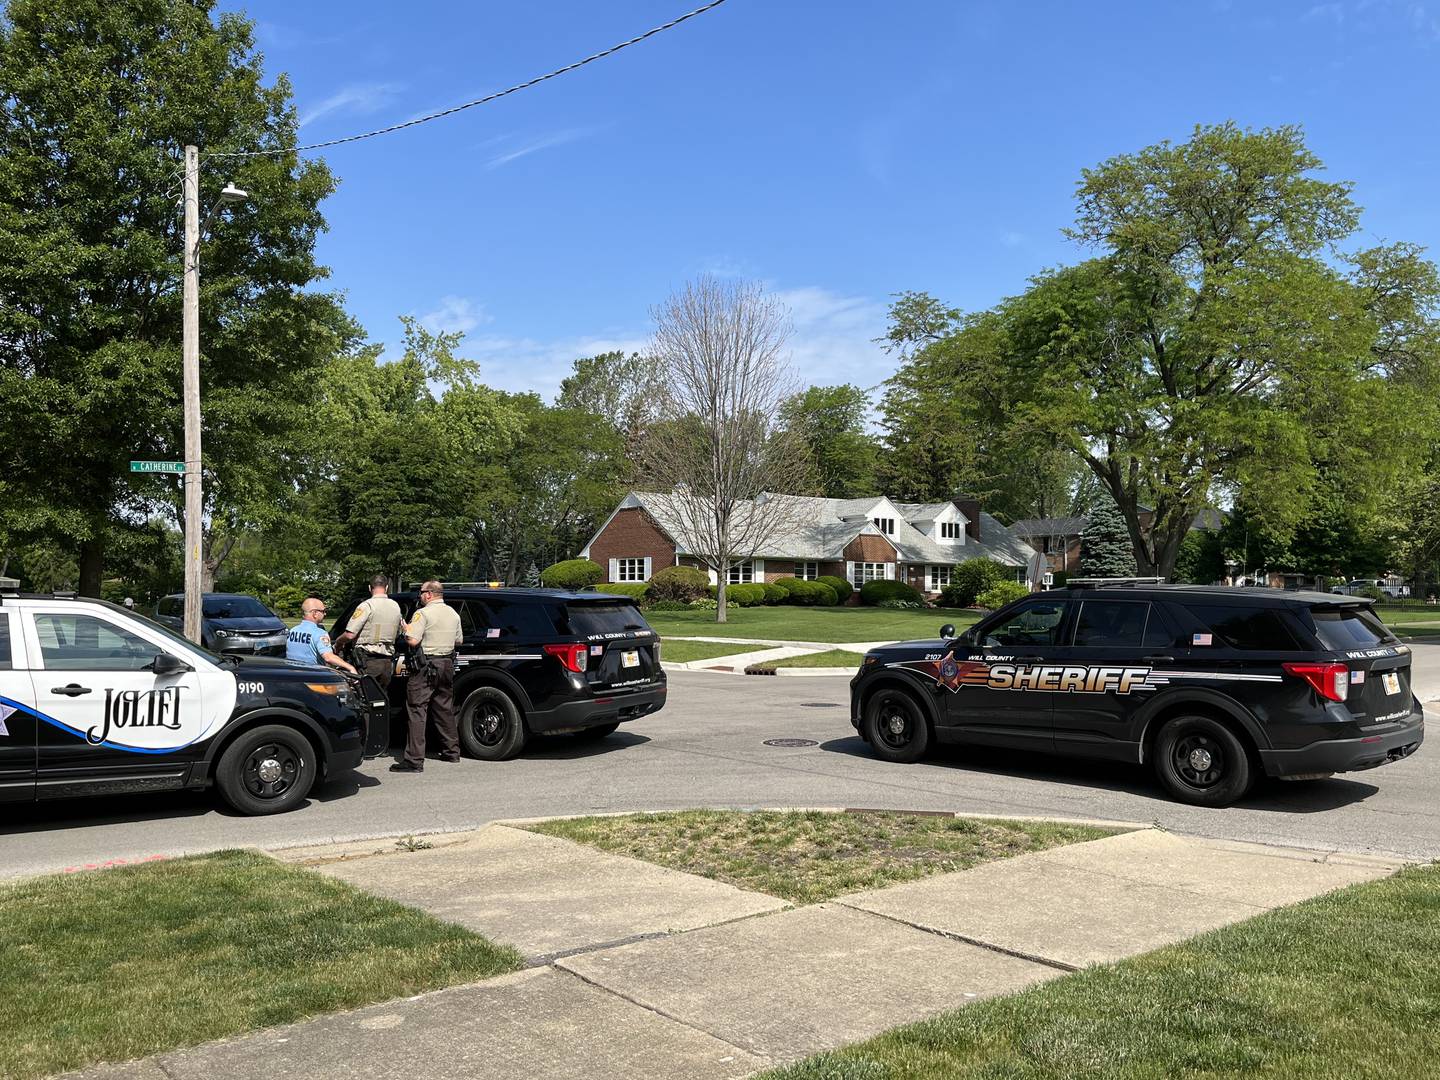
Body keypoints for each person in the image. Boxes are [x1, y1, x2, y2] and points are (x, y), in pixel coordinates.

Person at [391, 579, 462, 773]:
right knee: (444, 708)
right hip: (446, 664)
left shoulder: (422, 613)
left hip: (426, 666)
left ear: (429, 594)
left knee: (416, 709)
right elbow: (459, 640)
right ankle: (451, 752)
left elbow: (413, 641)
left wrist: (406, 631)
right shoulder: (453, 613)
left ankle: (414, 760)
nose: (419, 595)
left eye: (421, 592)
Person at [335, 575, 403, 690]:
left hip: (368, 660)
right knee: (381, 697)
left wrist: (338, 642)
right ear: (386, 587)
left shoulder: (367, 606)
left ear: (369, 588)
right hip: (387, 661)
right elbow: (398, 633)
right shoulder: (396, 606)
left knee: (364, 696)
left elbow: (350, 634)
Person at [286, 596, 358, 676]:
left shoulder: (292, 630)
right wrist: (350, 667)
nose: (325, 613)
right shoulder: (319, 633)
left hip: (293, 675)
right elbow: (328, 657)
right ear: (315, 613)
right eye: (323, 611)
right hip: (312, 677)